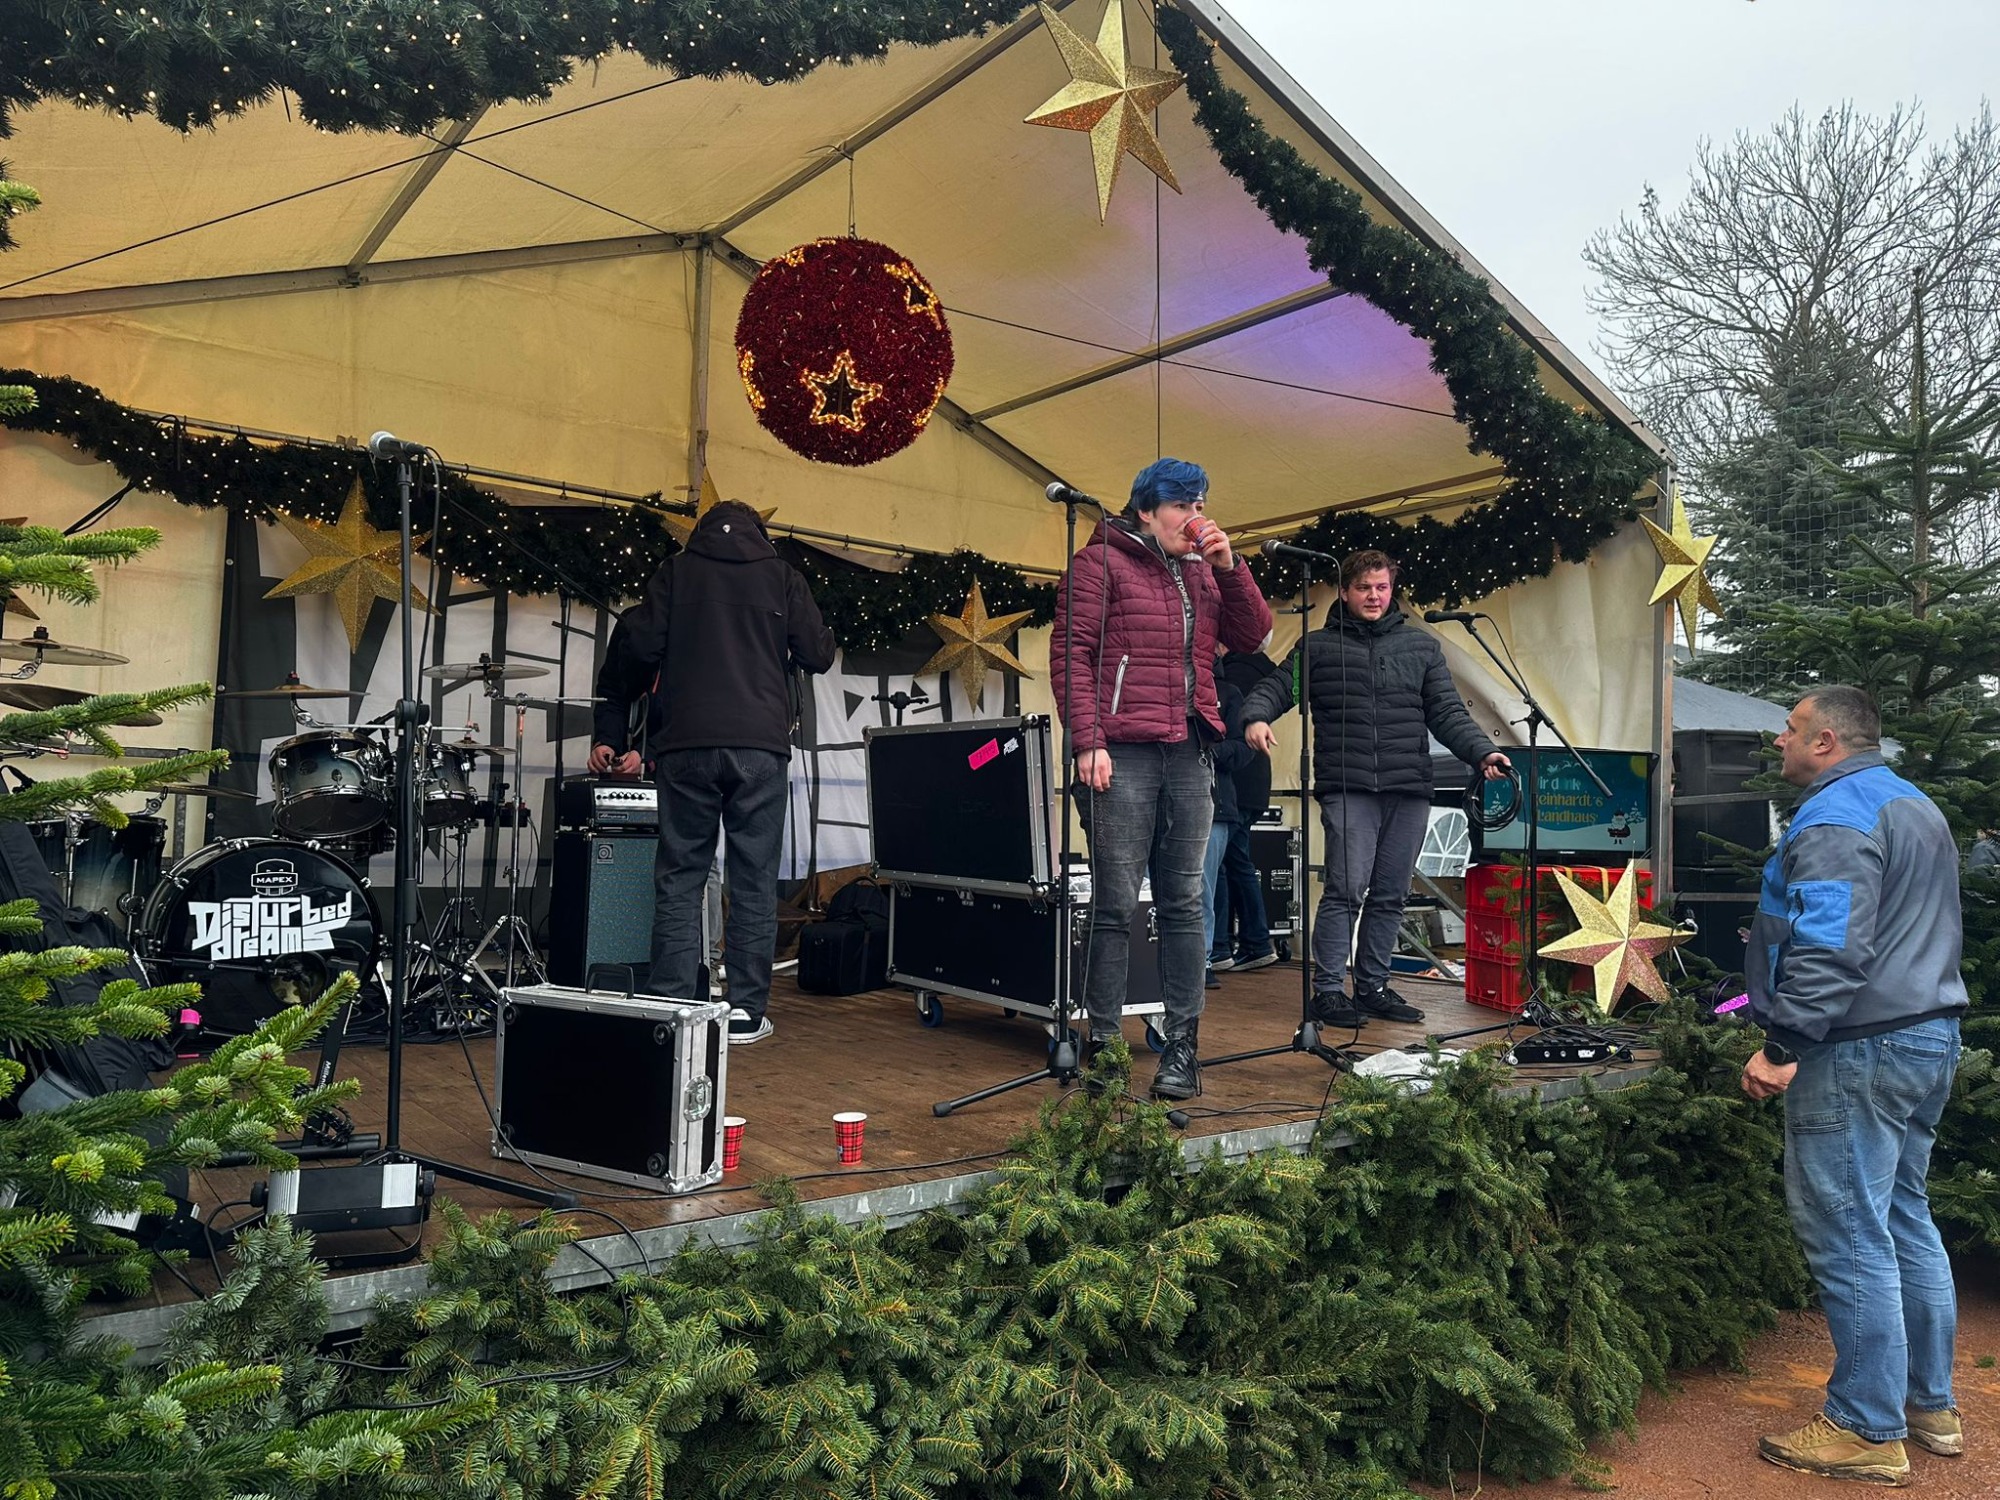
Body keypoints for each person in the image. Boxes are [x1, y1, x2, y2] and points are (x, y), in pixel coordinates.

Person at [1740, 685, 1968, 1486]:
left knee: (1849, 1232)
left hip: (1857, 1048)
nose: (1780, 740)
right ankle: (1928, 1405)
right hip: (1928, 1038)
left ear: (1827, 741)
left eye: (1791, 728)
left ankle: (1866, 1428)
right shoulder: (1913, 804)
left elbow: (1830, 944)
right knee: (1904, 1216)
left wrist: (1784, 1044)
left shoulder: (1836, 817)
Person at [1050, 457, 1272, 1099]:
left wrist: (1231, 567)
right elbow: (1071, 655)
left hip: (1190, 749)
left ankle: (1182, 1048)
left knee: (1183, 903)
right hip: (1122, 750)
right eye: (1181, 505)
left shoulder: (1203, 571)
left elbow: (1252, 636)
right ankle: (1103, 1044)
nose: (1194, 516)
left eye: (1200, 504)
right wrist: (1088, 740)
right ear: (1146, 510)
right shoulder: (1098, 562)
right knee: (1116, 903)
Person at [590, 500, 836, 1045]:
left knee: (681, 875)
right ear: (761, 532)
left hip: (687, 745)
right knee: (753, 879)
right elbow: (818, 655)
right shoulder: (782, 576)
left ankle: (675, 1001)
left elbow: (641, 645)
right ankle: (745, 1009)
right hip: (759, 747)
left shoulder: (676, 571)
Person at [1242, 550, 1509, 1028]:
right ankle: (1328, 992)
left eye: (1382, 587)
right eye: (1364, 587)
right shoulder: (1317, 648)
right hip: (1348, 786)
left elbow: (1448, 712)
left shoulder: (1420, 647)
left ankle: (1372, 987)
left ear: (1391, 591)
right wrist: (1256, 717)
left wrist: (1481, 753)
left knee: (1390, 894)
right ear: (1345, 591)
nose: (1374, 596)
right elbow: (1278, 686)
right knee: (1346, 887)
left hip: (1409, 787)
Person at [1210, 645, 1281, 973]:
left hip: (1234, 786)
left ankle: (1229, 945)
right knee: (1236, 863)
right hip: (1255, 784)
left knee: (1224, 865)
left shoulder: (1230, 678)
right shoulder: (1266, 671)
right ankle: (1251, 942)